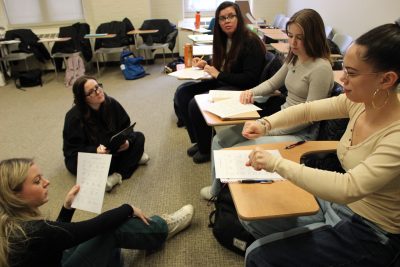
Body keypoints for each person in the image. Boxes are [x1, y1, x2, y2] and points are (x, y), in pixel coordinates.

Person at [243, 20, 400, 266]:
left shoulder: (396, 135)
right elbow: (307, 111)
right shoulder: (359, 102)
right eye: (345, 69)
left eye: (353, 73)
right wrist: (265, 124)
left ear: (387, 79)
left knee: (257, 256)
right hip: (340, 206)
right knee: (254, 219)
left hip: (371, 231)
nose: (343, 79)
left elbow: (348, 187)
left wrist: (277, 164)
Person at [201, 8, 334, 198]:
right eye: (290, 36)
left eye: (300, 38)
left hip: (299, 132)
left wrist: (269, 127)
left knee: (239, 151)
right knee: (220, 140)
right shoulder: (295, 57)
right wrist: (249, 93)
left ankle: (227, 198)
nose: (293, 43)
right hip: (279, 120)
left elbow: (309, 116)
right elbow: (272, 83)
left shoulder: (321, 68)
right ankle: (217, 191)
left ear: (314, 37)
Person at [0, 158, 194, 267]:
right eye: (37, 181)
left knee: (97, 234)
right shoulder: (32, 231)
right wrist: (128, 208)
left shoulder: (14, 225)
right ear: (15, 195)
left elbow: (55, 240)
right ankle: (162, 228)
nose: (47, 182)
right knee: (111, 229)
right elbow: (88, 228)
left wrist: (67, 209)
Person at [174, 1, 266, 163]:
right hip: (225, 81)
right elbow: (223, 63)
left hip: (243, 89)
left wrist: (218, 74)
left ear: (238, 17)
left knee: (195, 104)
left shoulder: (251, 41)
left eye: (231, 16)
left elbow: (250, 79)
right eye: (222, 18)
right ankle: (200, 140)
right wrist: (207, 64)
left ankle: (206, 149)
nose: (227, 21)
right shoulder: (223, 38)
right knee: (183, 93)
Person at [63, 75, 149, 192]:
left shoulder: (111, 103)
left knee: (139, 137)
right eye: (91, 92)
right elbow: (71, 152)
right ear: (83, 98)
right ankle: (132, 161)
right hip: (91, 157)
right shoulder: (73, 117)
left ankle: (118, 173)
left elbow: (126, 128)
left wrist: (127, 142)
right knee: (102, 164)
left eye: (98, 87)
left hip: (112, 148)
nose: (98, 92)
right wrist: (95, 151)